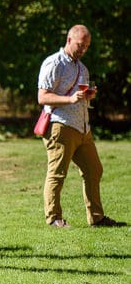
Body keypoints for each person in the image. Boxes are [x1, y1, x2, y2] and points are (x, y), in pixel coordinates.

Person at [37, 25, 126, 228]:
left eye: (86, 46)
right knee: (57, 173)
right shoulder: (54, 63)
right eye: (80, 45)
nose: (83, 49)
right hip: (61, 125)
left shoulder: (81, 67)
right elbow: (42, 97)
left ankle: (96, 218)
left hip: (82, 128)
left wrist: (87, 96)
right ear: (69, 40)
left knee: (94, 170)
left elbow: (79, 97)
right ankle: (53, 218)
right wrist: (70, 99)